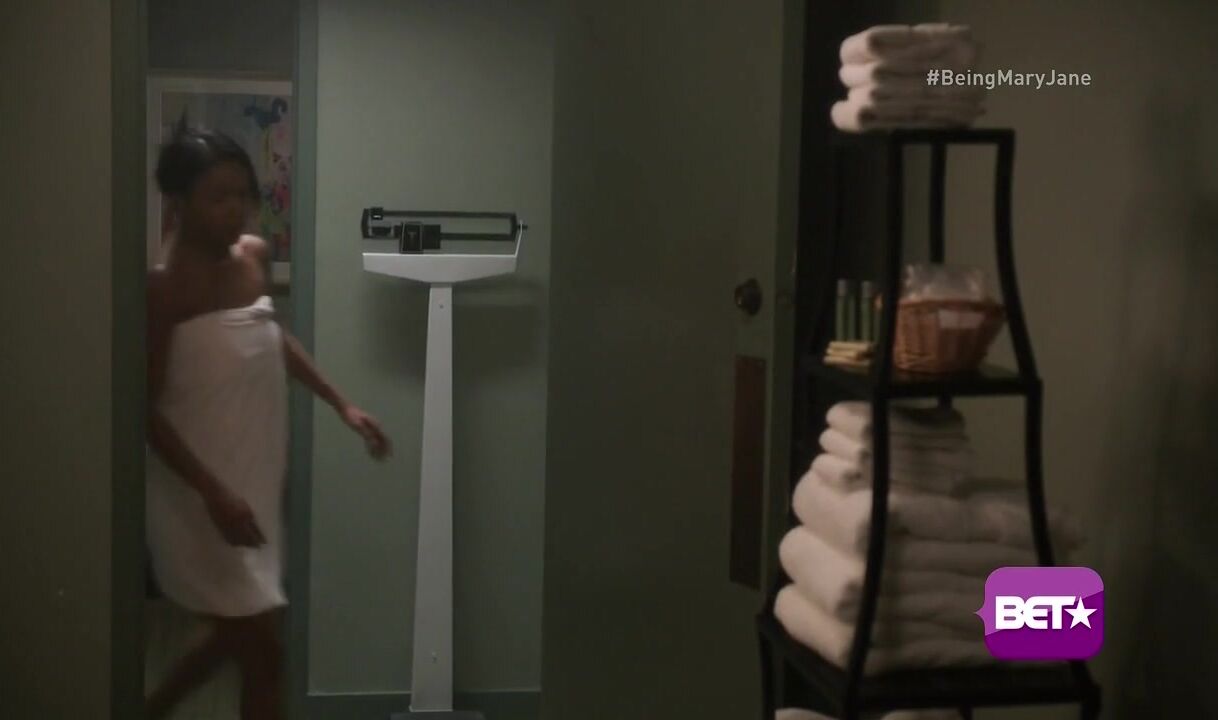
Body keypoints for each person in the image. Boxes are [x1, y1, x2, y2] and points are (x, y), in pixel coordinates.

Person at [145, 124, 390, 719]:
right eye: (217, 197)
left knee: (244, 636)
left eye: (242, 194)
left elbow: (271, 337)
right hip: (197, 494)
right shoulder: (163, 289)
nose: (235, 209)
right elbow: (143, 410)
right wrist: (213, 495)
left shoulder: (253, 256)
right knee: (261, 644)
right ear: (180, 203)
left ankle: (150, 710)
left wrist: (341, 403)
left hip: (253, 475)